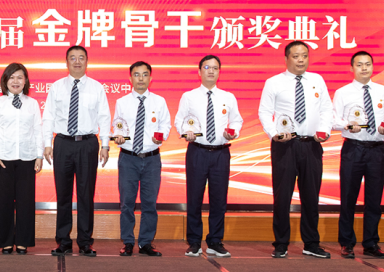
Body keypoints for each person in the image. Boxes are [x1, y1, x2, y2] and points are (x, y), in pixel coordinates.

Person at [258, 41, 333, 259]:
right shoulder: (273, 82)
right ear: (286, 59)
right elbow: (264, 112)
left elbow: (327, 109)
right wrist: (275, 133)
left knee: (311, 196)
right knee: (282, 196)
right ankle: (281, 243)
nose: (301, 60)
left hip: (311, 145)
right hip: (285, 145)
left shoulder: (317, 80)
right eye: (296, 56)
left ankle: (311, 243)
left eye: (305, 56)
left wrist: (325, 131)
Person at [42, 46, 110, 257]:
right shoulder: (57, 87)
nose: (77, 61)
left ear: (87, 61)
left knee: (85, 194)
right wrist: (47, 143)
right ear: (67, 62)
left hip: (87, 144)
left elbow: (104, 117)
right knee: (63, 194)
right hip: (62, 143)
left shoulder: (97, 87)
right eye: (73, 58)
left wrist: (105, 145)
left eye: (81, 58)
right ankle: (63, 241)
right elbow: (48, 116)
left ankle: (85, 242)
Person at [175, 54, 243, 258]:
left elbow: (237, 120)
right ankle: (194, 242)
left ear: (219, 72)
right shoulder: (189, 96)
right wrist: (185, 131)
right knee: (194, 197)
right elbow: (179, 120)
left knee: (219, 199)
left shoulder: (228, 97)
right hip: (197, 151)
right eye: (207, 67)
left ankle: (215, 241)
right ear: (199, 71)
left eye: (215, 68)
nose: (211, 71)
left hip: (221, 153)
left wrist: (233, 132)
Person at [331, 51, 384, 259]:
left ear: (372, 66)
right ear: (352, 68)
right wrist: (347, 125)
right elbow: (333, 120)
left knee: (374, 199)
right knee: (348, 197)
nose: (364, 68)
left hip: (377, 148)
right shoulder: (343, 92)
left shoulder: (382, 91)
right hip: (353, 148)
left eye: (367, 64)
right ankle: (346, 242)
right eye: (359, 65)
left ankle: (371, 243)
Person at [0, 63, 43, 254]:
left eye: (20, 77)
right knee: (3, 202)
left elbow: (37, 130)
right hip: (3, 160)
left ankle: (23, 241)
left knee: (26, 202)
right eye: (12, 77)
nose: (15, 81)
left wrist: (39, 155)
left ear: (25, 81)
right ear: (5, 81)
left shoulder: (32, 104)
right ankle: (6, 241)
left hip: (27, 158)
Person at [113, 61, 170, 257]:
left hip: (152, 158)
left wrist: (161, 136)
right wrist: (118, 136)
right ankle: (128, 242)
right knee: (126, 203)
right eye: (136, 75)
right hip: (128, 158)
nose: (141, 79)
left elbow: (166, 125)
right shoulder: (122, 102)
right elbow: (118, 125)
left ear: (150, 78)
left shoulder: (159, 102)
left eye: (145, 75)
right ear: (130, 78)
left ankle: (146, 242)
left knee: (149, 203)